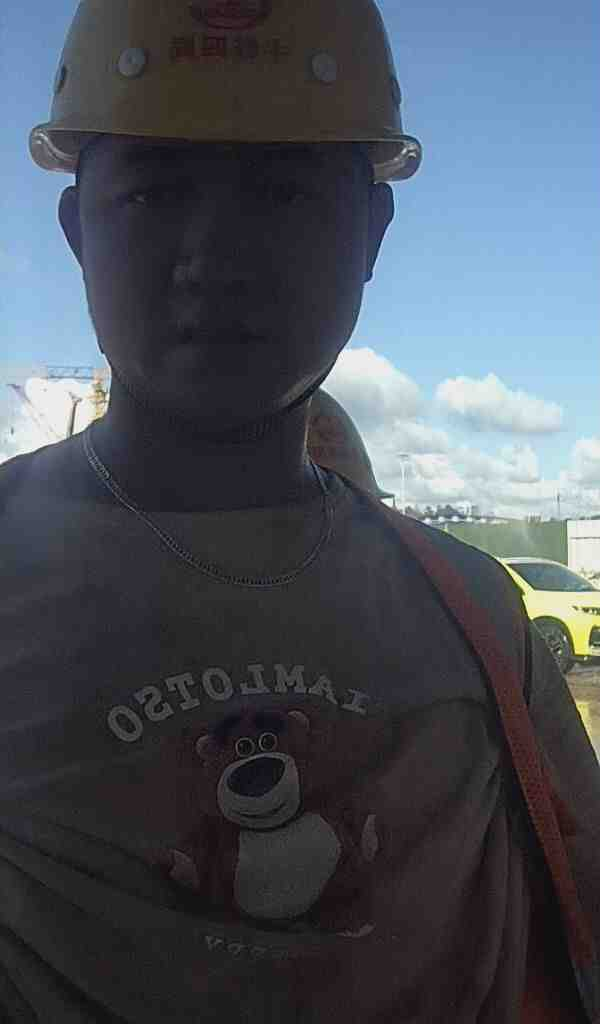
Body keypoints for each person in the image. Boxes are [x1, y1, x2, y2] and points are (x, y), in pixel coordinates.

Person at [0, 0, 598, 1021]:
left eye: (283, 192)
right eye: (153, 191)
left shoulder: (473, 615)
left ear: (372, 233)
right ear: (76, 230)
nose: (216, 253)